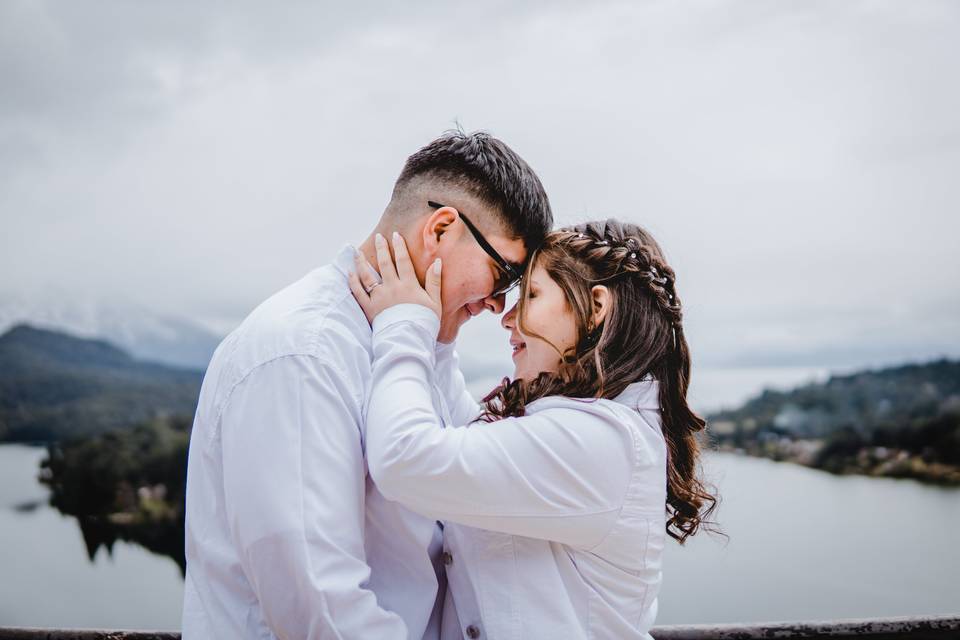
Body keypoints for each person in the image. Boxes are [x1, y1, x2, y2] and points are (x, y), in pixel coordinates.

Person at [181, 130, 552, 639]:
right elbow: (320, 610)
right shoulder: (303, 353)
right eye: (504, 273)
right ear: (441, 229)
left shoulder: (419, 343)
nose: (499, 304)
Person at [349, 219, 718, 639]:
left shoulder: (601, 441)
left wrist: (404, 325)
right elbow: (459, 431)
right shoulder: (580, 428)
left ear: (596, 307)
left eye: (532, 295)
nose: (508, 317)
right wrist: (441, 334)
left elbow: (406, 458)